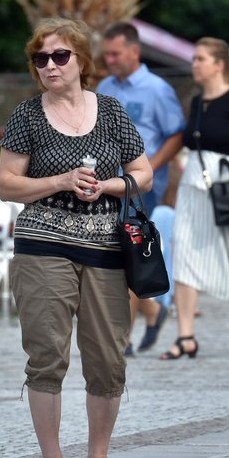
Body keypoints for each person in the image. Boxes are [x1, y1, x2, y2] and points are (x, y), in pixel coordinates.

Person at [0, 18, 153, 458]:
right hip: (43, 245)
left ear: (81, 60)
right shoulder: (26, 115)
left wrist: (108, 185)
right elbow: (7, 184)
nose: (49, 66)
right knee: (47, 353)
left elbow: (142, 173)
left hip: (106, 248)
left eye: (59, 56)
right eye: (40, 58)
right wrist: (61, 181)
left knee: (108, 357)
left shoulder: (110, 112)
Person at [160, 38, 229, 361]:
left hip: (227, 186)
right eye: (194, 58)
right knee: (184, 255)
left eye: (200, 59)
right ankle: (185, 336)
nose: (194, 64)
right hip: (193, 186)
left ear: (219, 65)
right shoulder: (198, 102)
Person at [96, 22, 185, 354]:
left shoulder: (157, 89)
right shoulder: (105, 86)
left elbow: (177, 133)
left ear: (134, 52)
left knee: (129, 252)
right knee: (118, 254)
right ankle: (150, 311)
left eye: (116, 53)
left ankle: (124, 338)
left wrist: (151, 167)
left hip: (141, 187)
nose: (110, 60)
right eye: (106, 54)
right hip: (108, 183)